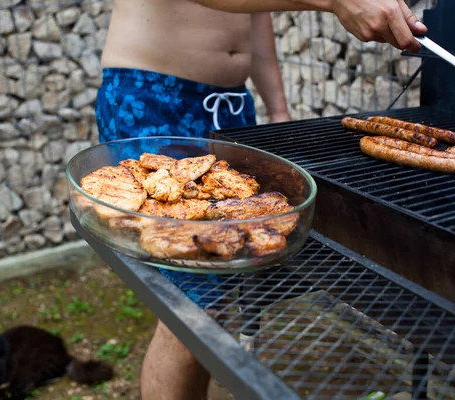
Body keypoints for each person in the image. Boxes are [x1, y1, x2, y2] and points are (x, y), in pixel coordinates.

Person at [95, 0, 427, 399]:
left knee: (222, 276)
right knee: (194, 306)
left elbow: (254, 17)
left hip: (231, 103)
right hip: (153, 98)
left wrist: (279, 109)